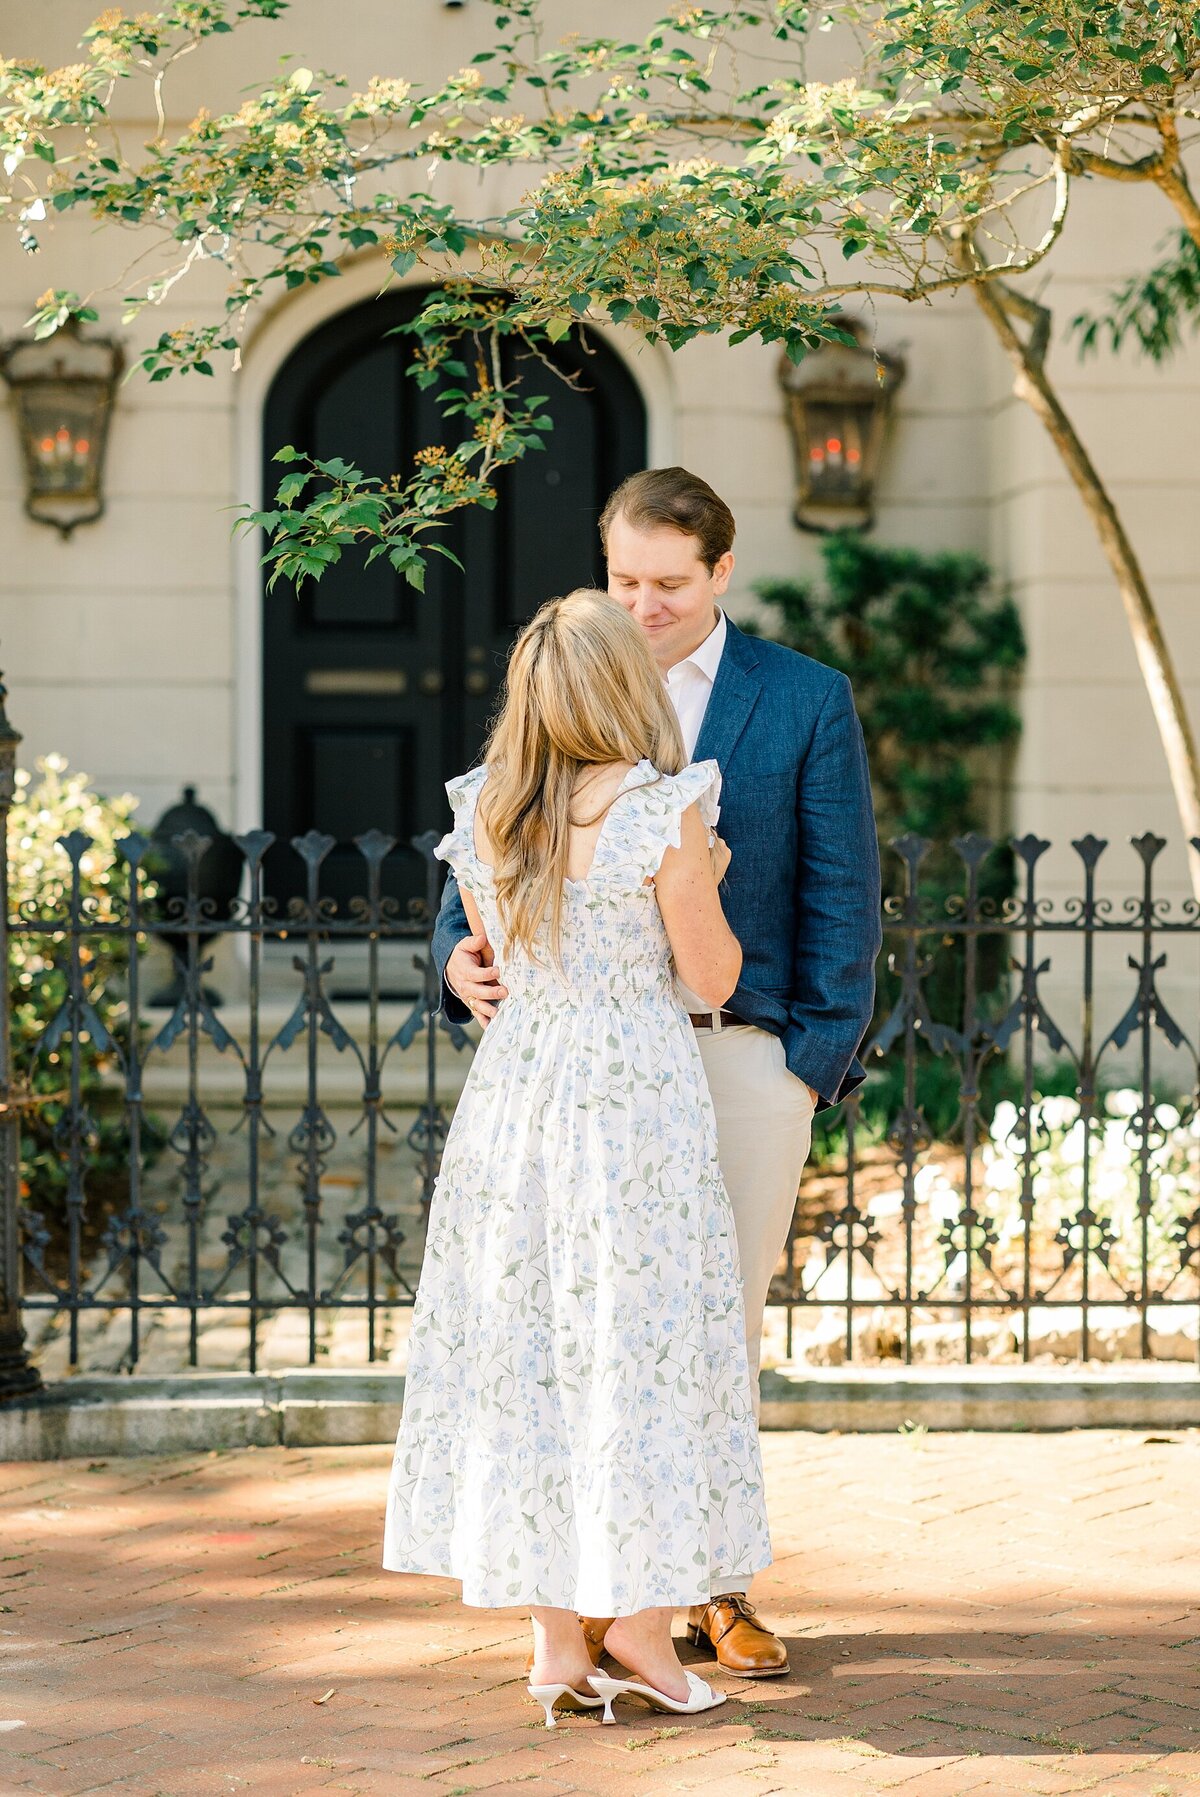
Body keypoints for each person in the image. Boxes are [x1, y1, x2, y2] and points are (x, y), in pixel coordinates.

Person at [434, 468, 881, 1679]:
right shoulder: (569, 686)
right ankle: (599, 1603)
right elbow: (480, 883)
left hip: (735, 1060)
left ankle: (705, 1590)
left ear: (720, 574)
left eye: (667, 584)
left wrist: (807, 1067)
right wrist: (458, 965)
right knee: (571, 1332)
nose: (641, 604)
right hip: (579, 1073)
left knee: (704, 1332)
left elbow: (845, 891)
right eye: (622, 578)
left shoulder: (801, 701)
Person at [384, 588, 772, 1727]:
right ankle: (646, 1637)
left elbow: (498, 961)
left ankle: (557, 1645)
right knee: (639, 1352)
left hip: (517, 1102)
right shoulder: (664, 814)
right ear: (625, 689)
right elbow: (712, 980)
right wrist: (703, 872)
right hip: (631, 1107)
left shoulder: (486, 814)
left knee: (534, 1353)